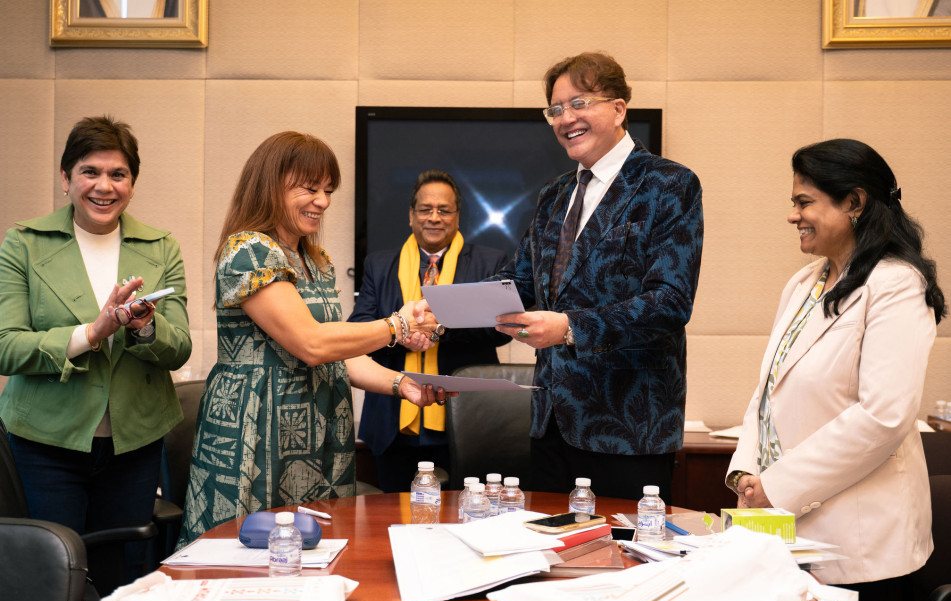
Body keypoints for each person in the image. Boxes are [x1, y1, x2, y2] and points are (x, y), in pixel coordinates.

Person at [178, 132, 447, 545]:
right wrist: (398, 326)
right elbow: (312, 344)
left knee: (315, 547)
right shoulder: (249, 251)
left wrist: (401, 384)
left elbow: (338, 352)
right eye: (309, 188)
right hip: (258, 428)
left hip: (318, 426)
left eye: (328, 190)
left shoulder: (315, 260)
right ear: (270, 185)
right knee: (247, 552)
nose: (322, 201)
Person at [725, 138, 944, 601]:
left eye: (804, 202)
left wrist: (776, 487)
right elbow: (767, 391)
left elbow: (883, 416)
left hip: (857, 540)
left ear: (855, 202)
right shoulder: (804, 283)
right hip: (783, 528)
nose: (793, 216)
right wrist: (746, 473)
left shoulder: (897, 284)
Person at [480, 52, 703, 500]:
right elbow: (519, 283)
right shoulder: (555, 193)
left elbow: (670, 301)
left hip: (629, 426)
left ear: (619, 109)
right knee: (547, 542)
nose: (566, 119)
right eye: (556, 109)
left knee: (624, 546)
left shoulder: (668, 184)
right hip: (551, 424)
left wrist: (570, 327)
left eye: (579, 103)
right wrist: (445, 309)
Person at [0, 115, 192, 588]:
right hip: (46, 443)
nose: (104, 186)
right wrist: (92, 332)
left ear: (132, 184)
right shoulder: (24, 243)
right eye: (90, 171)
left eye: (118, 174)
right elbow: (6, 347)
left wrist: (146, 329)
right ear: (66, 177)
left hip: (135, 444)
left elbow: (180, 348)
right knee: (53, 578)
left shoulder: (161, 246)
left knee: (121, 580)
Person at [348, 170, 509, 492]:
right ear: (411, 216)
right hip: (392, 419)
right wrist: (399, 333)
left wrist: (441, 329)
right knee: (392, 513)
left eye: (444, 210)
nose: (434, 217)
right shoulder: (378, 264)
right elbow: (358, 331)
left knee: (468, 510)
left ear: (457, 216)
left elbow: (501, 329)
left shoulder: (490, 263)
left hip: (465, 416)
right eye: (425, 209)